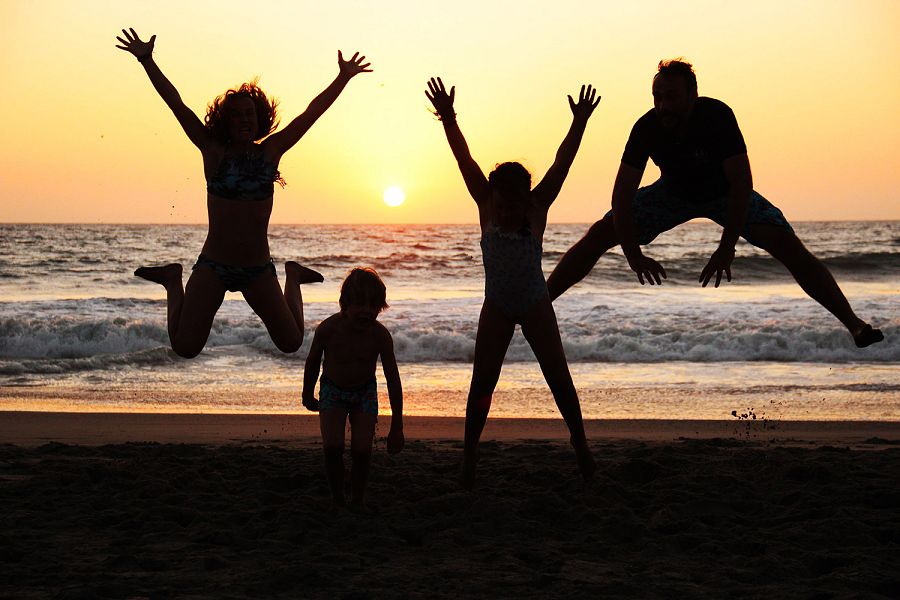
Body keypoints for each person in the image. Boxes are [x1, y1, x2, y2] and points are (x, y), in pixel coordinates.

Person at [546, 59, 883, 348]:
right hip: (672, 193)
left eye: (671, 97)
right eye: (657, 97)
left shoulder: (717, 116)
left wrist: (727, 248)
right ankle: (538, 304)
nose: (662, 106)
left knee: (788, 246)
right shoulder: (647, 127)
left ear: (693, 94)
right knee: (599, 234)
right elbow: (621, 196)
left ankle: (855, 324)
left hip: (724, 193)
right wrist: (633, 254)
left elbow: (740, 184)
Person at [115, 27, 372, 358]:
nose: (243, 120)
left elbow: (310, 114)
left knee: (291, 342)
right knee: (185, 346)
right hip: (214, 266)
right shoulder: (212, 151)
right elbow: (176, 104)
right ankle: (172, 279)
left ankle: (292, 276)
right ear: (225, 120)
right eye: (236, 115)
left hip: (258, 269)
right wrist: (148, 61)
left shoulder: (271, 152)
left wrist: (343, 78)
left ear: (259, 117)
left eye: (249, 113)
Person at [425, 77, 599, 489]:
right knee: (482, 382)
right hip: (498, 306)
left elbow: (562, 164)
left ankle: (581, 447)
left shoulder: (538, 205)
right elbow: (463, 157)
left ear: (527, 200)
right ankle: (469, 456)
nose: (505, 212)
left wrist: (579, 123)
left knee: (559, 377)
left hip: (536, 302)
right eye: (500, 204)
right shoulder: (485, 203)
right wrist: (448, 116)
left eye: (513, 205)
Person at [302, 268, 404, 510]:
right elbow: (313, 361)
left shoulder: (380, 336)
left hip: (364, 393)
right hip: (332, 391)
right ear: (344, 304)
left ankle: (357, 499)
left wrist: (397, 426)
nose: (367, 311)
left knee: (361, 451)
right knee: (333, 447)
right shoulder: (328, 329)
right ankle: (337, 497)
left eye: (374, 306)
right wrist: (307, 393)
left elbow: (393, 379)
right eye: (360, 304)